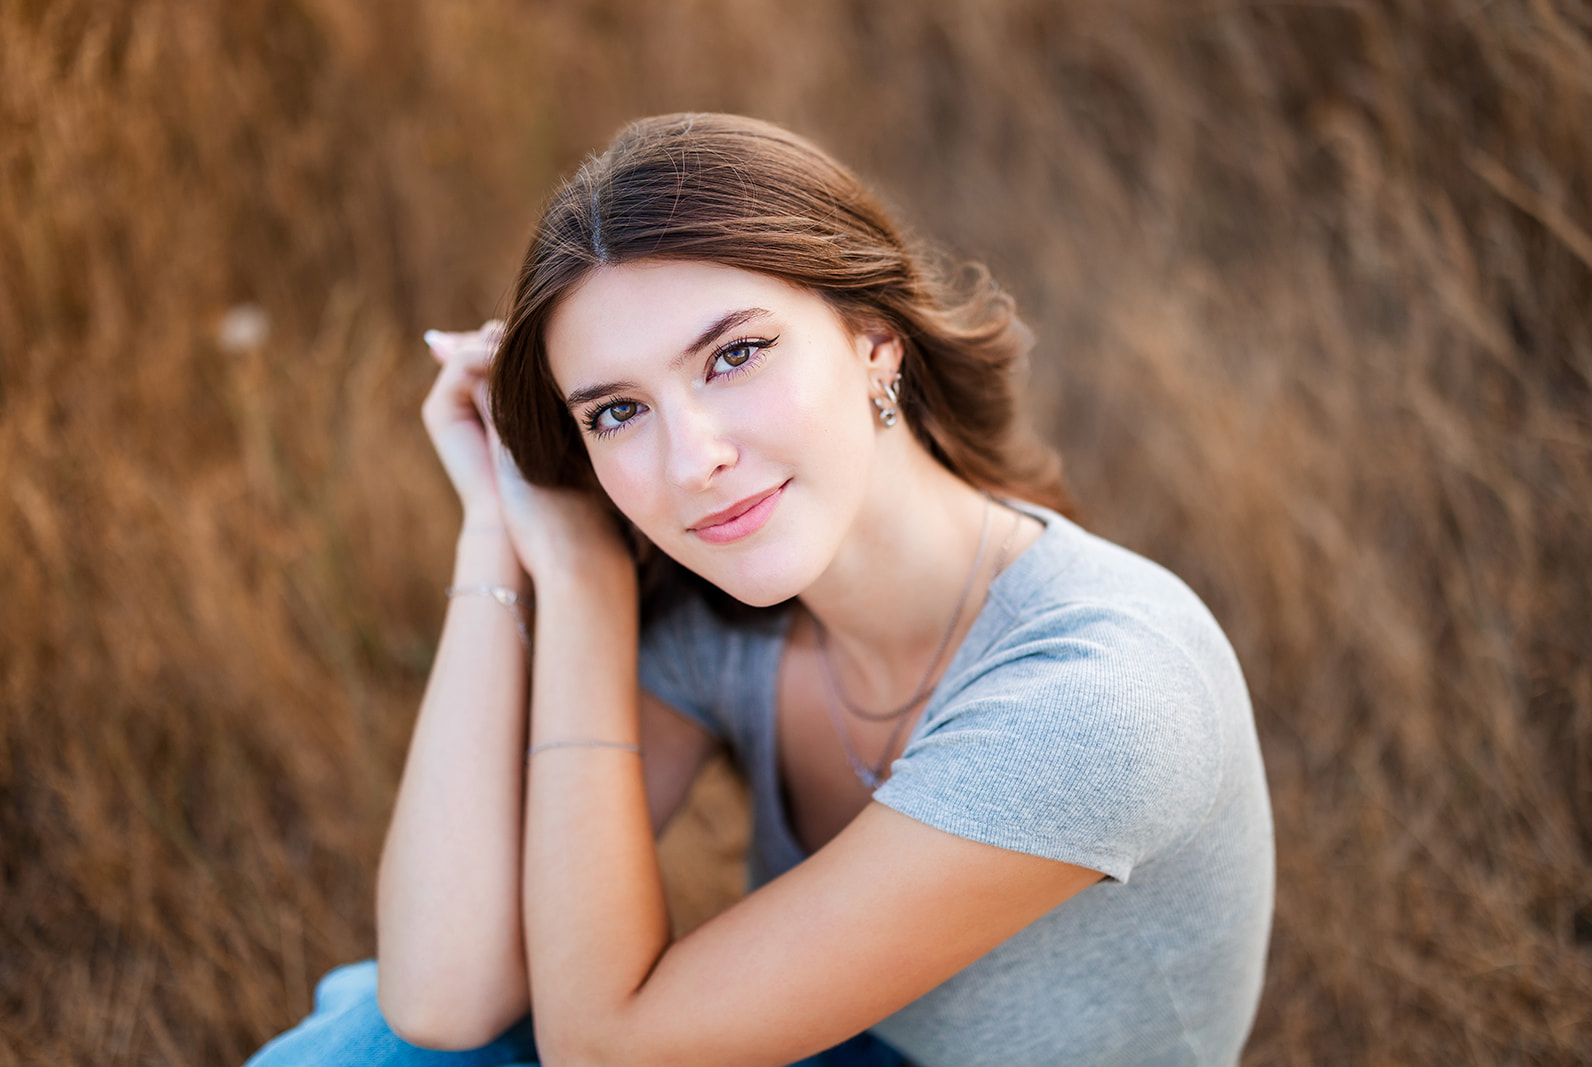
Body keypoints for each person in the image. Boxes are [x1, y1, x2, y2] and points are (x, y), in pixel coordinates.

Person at [245, 112, 1274, 1067]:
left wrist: (591, 593)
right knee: (379, 1042)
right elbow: (443, 992)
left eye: (733, 354)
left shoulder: (1095, 691)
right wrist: (499, 535)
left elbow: (605, 1047)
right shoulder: (732, 621)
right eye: (614, 413)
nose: (690, 458)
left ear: (875, 341)